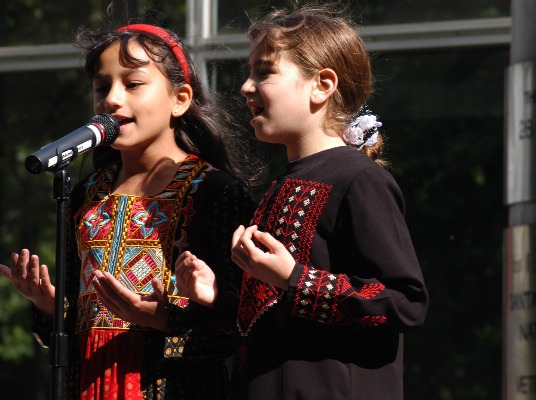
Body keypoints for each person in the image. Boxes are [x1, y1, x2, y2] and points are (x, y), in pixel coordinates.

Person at [175, 4, 429, 400]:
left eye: (264, 72)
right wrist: (220, 298)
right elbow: (276, 315)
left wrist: (293, 278)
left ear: (322, 85)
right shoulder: (283, 184)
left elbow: (405, 303)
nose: (245, 87)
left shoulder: (359, 179)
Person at [0, 22, 259, 400]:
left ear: (180, 99)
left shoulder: (217, 193)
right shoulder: (86, 194)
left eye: (132, 84)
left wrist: (157, 317)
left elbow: (241, 323)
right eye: (102, 88)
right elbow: (70, 328)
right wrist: (49, 306)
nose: (112, 101)